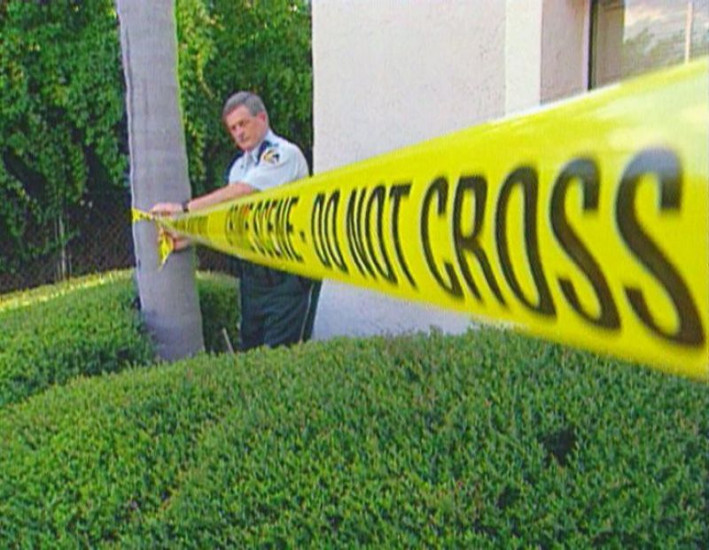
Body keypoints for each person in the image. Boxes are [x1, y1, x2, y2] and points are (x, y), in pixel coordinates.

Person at [151, 91, 320, 351]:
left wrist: (183, 209)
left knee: (278, 358)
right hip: (252, 279)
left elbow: (244, 192)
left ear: (262, 118)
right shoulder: (239, 168)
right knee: (250, 354)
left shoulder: (283, 155)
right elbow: (230, 221)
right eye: (233, 128)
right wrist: (189, 235)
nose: (239, 133)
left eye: (243, 124)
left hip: (286, 274)